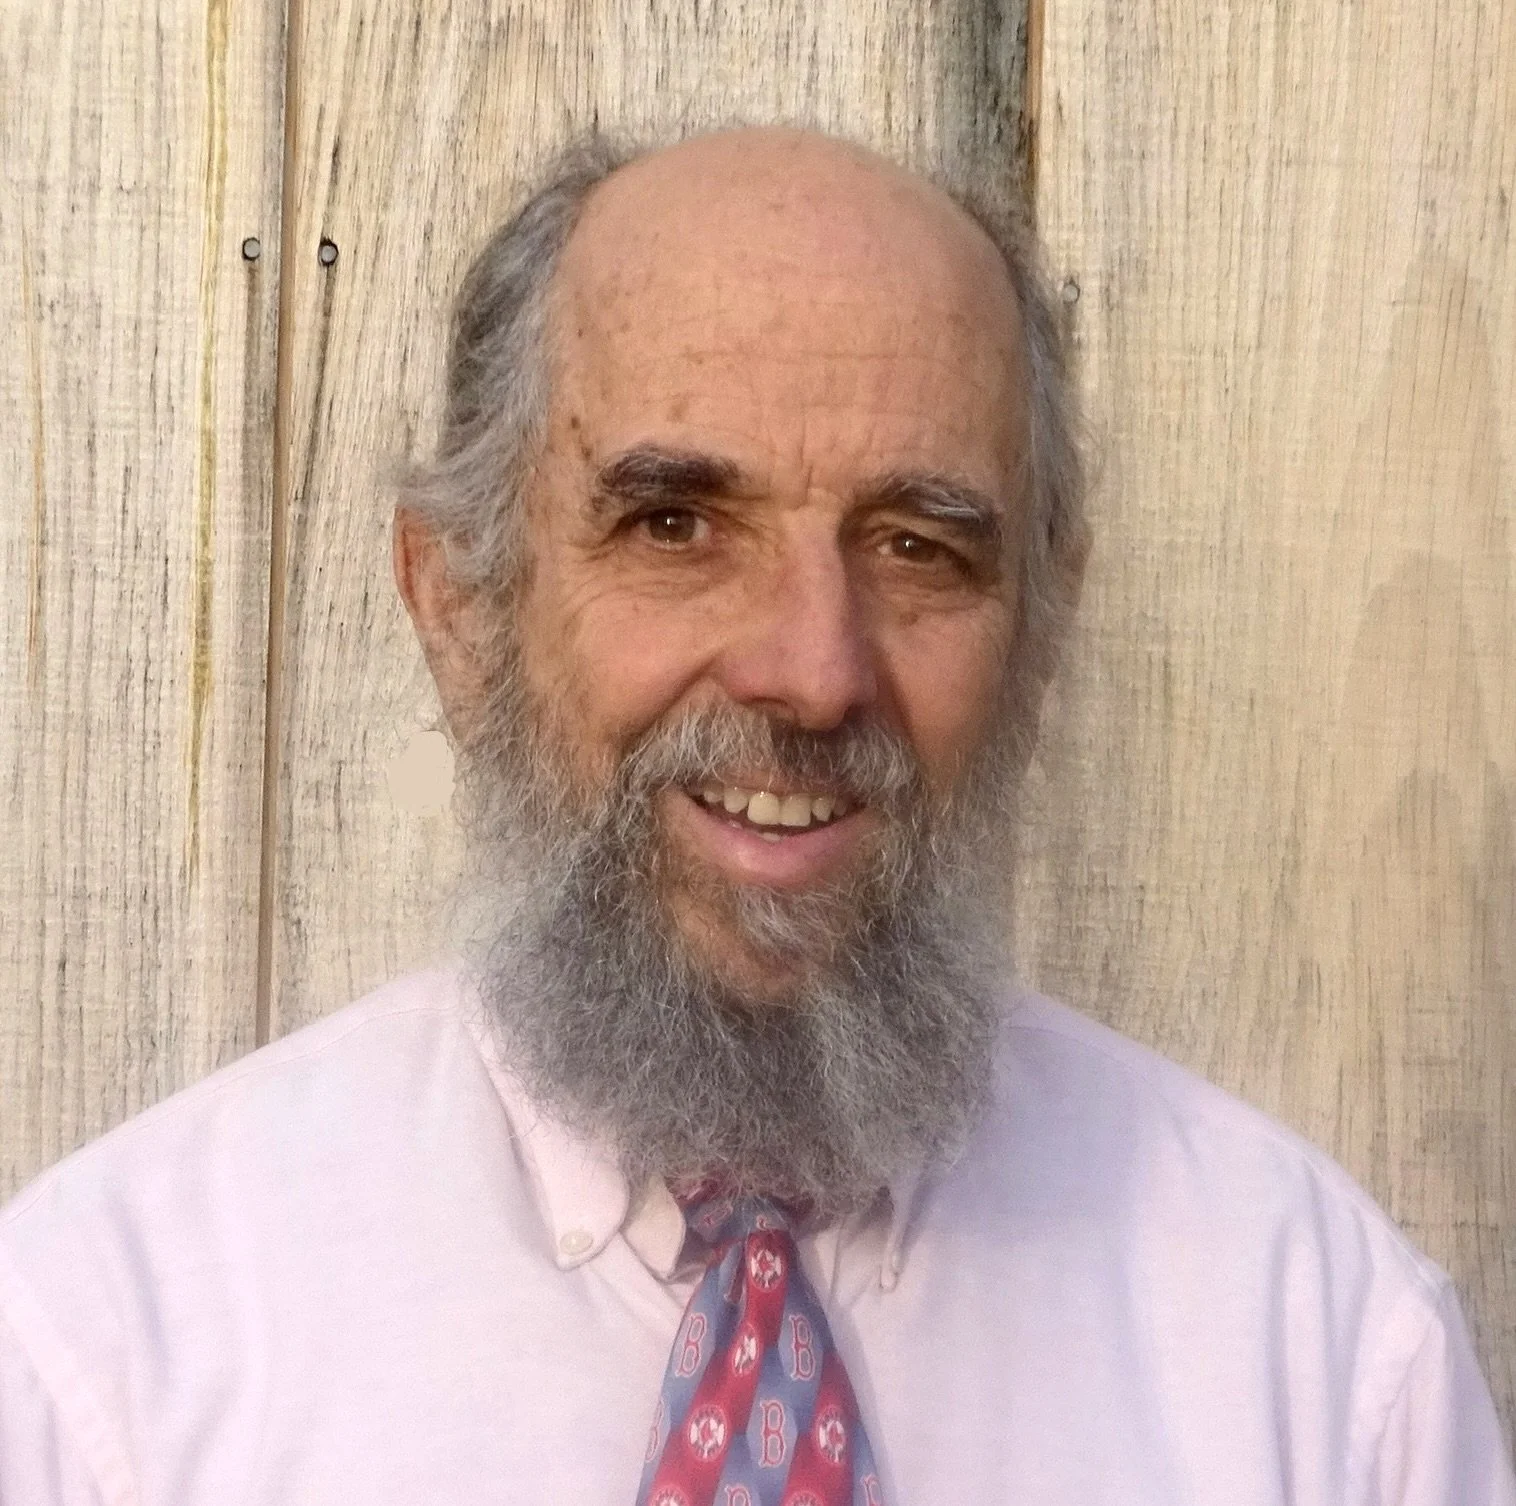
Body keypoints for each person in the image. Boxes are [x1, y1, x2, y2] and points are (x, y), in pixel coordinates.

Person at [0, 126, 1510, 1505]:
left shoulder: (1321, 1362)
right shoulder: (106, 1366)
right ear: (457, 606)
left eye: (918, 547)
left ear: (1039, 634)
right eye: (675, 525)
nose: (812, 669)